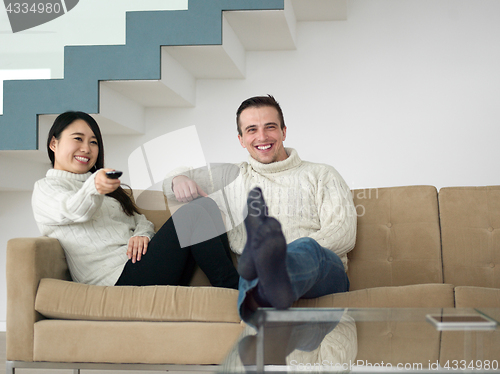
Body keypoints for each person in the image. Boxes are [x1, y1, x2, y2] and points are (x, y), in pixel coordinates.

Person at [163, 95, 357, 322]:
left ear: (284, 132)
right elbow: (170, 182)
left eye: (270, 127)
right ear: (241, 139)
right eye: (252, 130)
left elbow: (344, 233)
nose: (262, 137)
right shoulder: (229, 176)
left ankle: (262, 281)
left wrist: (282, 255)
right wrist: (178, 179)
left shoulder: (322, 174)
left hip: (321, 272)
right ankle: (259, 298)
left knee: (305, 247)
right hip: (260, 275)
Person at [32, 111, 239, 289]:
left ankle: (235, 293)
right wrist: (94, 185)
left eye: (93, 142)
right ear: (53, 143)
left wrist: (142, 235)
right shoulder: (46, 189)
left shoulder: (106, 189)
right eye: (78, 139)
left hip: (139, 265)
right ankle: (239, 293)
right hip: (113, 280)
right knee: (194, 212)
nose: (86, 148)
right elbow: (75, 210)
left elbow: (140, 221)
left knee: (207, 205)